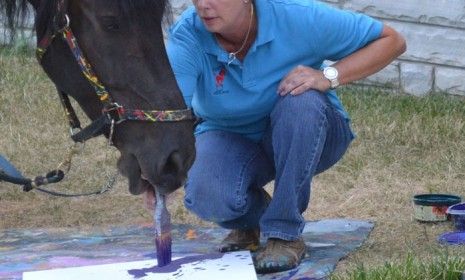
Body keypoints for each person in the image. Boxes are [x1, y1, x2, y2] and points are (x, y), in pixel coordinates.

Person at [164, 0, 406, 274]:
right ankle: (250, 222)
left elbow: (391, 40)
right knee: (206, 195)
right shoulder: (187, 34)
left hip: (310, 131)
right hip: (228, 134)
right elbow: (174, 114)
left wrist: (329, 76)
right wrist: (158, 173)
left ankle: (285, 233)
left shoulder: (298, 16)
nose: (203, 5)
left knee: (300, 104)